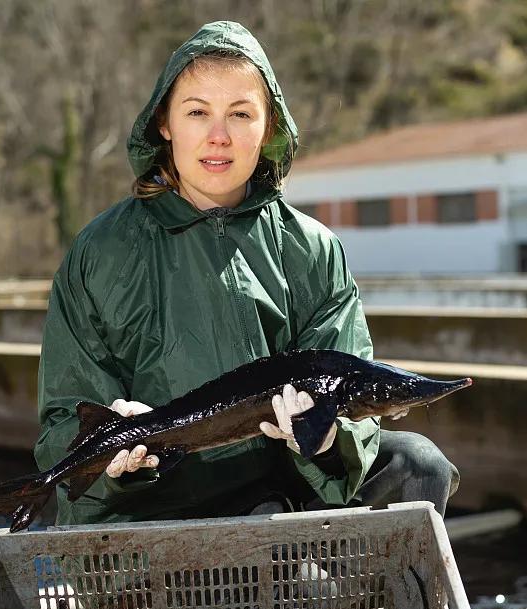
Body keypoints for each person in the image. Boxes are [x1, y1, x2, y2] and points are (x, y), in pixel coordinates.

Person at [35, 21, 459, 527]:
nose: (219, 136)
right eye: (197, 112)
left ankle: (362, 595)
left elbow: (350, 390)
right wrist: (115, 463)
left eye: (240, 114)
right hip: (154, 498)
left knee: (417, 462)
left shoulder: (312, 248)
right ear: (164, 124)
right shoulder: (98, 251)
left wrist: (325, 440)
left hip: (284, 477)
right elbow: (65, 420)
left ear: (269, 127)